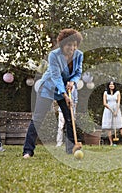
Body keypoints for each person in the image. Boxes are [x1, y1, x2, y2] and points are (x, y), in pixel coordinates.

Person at [23, 28, 83, 158]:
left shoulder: (79, 55)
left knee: (69, 118)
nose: (71, 48)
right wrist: (65, 95)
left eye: (74, 45)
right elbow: (56, 77)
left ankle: (71, 149)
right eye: (68, 45)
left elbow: (78, 72)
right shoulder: (54, 55)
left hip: (65, 88)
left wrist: (72, 82)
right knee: (38, 118)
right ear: (62, 44)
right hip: (49, 88)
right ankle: (28, 151)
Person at [102, 81, 122, 146]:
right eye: (110, 84)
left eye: (112, 84)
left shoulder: (117, 92)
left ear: (114, 86)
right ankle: (111, 143)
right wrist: (112, 111)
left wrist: (116, 111)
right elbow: (104, 103)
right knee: (109, 127)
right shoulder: (105, 93)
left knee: (120, 126)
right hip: (108, 110)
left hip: (116, 109)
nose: (111, 85)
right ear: (108, 86)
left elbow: (118, 102)